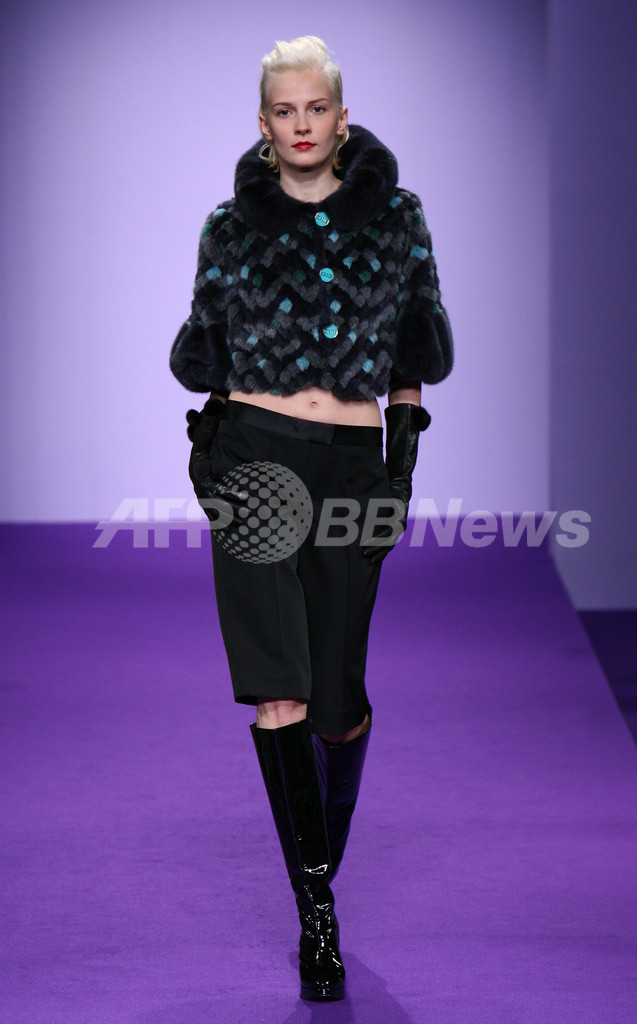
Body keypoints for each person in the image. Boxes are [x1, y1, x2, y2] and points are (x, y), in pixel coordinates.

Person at [170, 35, 452, 1001]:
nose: (300, 125)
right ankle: (316, 913)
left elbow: (411, 350)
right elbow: (205, 354)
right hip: (252, 454)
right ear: (263, 123)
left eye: (315, 108)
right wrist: (209, 451)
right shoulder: (228, 228)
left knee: (336, 706)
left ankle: (314, 867)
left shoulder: (397, 219)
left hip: (350, 465)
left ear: (341, 116)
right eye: (283, 111)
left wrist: (400, 465)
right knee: (277, 692)